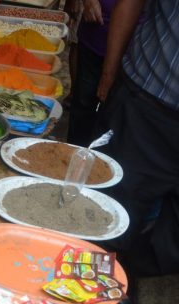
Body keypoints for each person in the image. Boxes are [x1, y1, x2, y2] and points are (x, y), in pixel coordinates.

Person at [94, 0, 179, 276]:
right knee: (112, 215)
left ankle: (123, 275)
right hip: (149, 106)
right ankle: (92, 290)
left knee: (170, 248)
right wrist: (108, 74)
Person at [66, 0, 118, 147]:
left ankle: (99, 159)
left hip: (131, 54)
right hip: (94, 36)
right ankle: (72, 155)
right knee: (83, 104)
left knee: (113, 116)